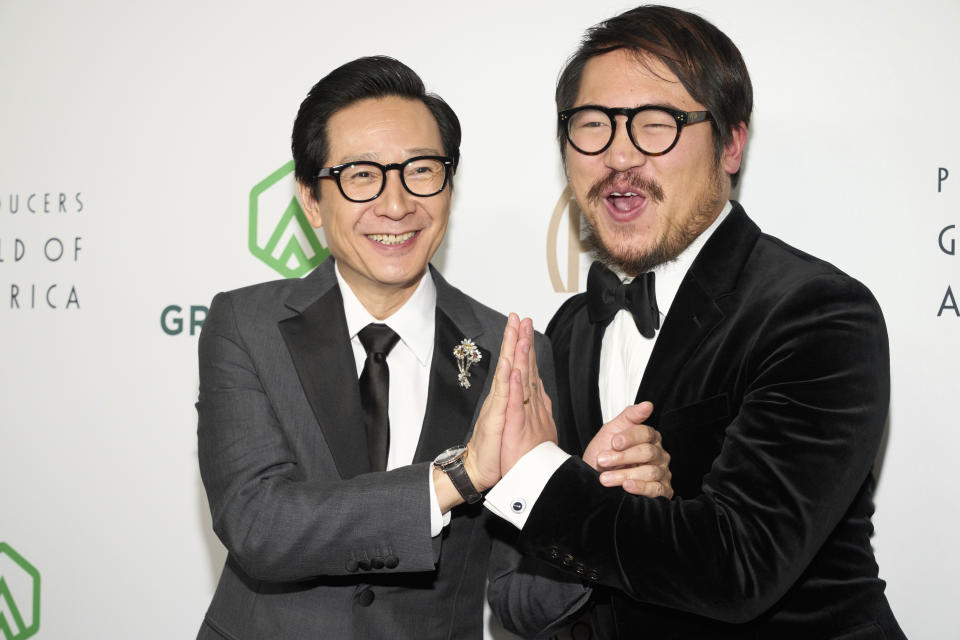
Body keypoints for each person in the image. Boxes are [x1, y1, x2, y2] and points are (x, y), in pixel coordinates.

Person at [195, 55, 670, 639]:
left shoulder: (511, 353)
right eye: (361, 175)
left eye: (421, 170)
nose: (396, 205)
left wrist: (588, 508)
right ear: (311, 199)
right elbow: (258, 524)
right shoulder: (246, 325)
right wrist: (459, 478)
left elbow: (518, 601)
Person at [485, 6, 906, 639]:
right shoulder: (572, 328)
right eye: (592, 125)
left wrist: (543, 479)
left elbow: (740, 569)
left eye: (658, 124)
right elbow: (515, 600)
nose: (619, 155)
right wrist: (581, 490)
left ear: (732, 144)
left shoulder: (815, 312)